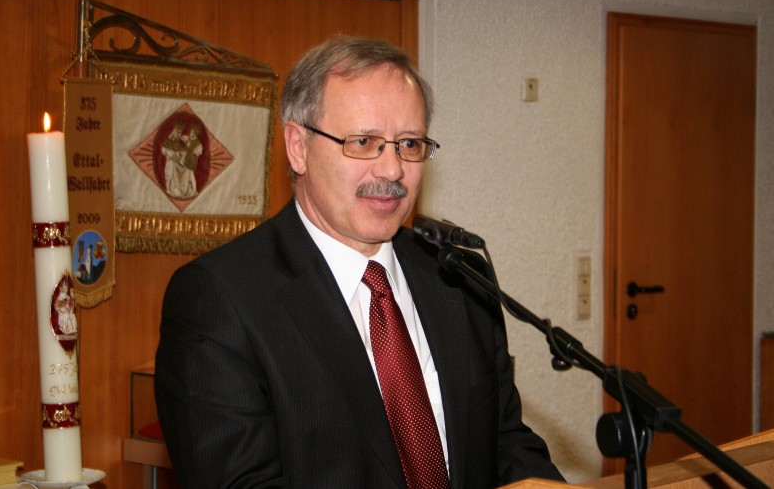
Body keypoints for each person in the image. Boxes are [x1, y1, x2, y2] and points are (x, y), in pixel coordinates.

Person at [155, 35, 564, 488]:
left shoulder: (458, 276)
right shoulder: (220, 299)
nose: (392, 170)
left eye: (409, 143)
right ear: (298, 147)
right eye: (365, 141)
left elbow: (504, 441)